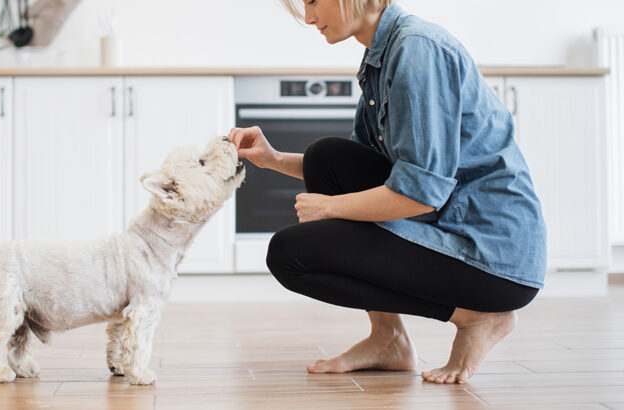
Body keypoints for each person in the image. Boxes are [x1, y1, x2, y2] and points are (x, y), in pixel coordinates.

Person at [227, 0, 546, 384]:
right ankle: (388, 339)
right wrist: (274, 159)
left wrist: (332, 209)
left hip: (491, 255)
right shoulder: (382, 56)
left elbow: (421, 192)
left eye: (312, 1)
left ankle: (476, 316)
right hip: (448, 225)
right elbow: (356, 170)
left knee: (289, 254)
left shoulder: (417, 49)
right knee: (327, 158)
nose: (308, 17)